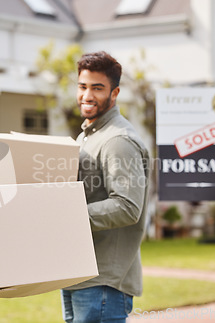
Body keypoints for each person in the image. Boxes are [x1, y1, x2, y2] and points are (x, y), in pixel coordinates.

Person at [61, 51, 150, 323]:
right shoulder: (88, 136)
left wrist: (65, 216)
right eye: (82, 86)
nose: (87, 95)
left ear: (114, 93)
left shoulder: (117, 141)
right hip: (79, 273)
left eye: (97, 88)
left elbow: (127, 206)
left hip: (103, 281)